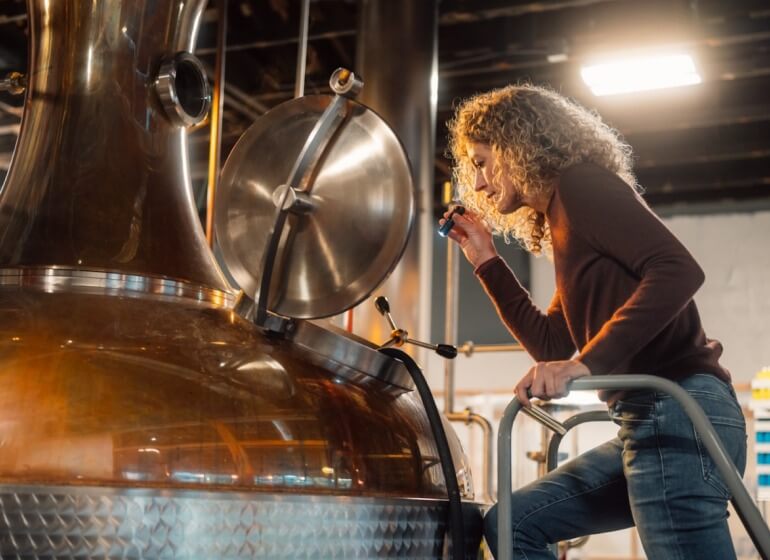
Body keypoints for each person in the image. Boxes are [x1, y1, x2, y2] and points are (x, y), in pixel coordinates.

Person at [441, 84, 747, 559]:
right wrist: (485, 259)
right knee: (512, 523)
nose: (477, 184)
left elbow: (679, 269)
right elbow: (550, 345)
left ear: (516, 146)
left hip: (677, 412)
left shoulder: (580, 186)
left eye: (481, 162)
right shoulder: (565, 222)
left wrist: (586, 365)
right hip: (646, 419)